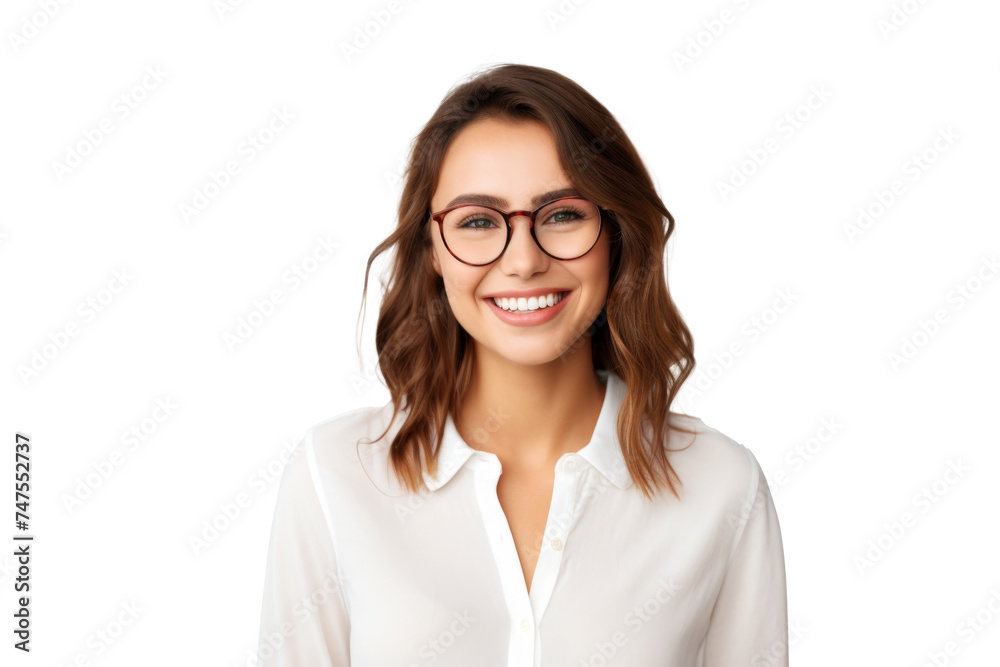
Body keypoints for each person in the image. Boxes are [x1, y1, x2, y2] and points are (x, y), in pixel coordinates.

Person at [255, 63, 788, 666]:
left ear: (615, 233)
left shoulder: (722, 486)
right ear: (431, 250)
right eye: (478, 222)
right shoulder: (335, 476)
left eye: (562, 214)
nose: (523, 261)